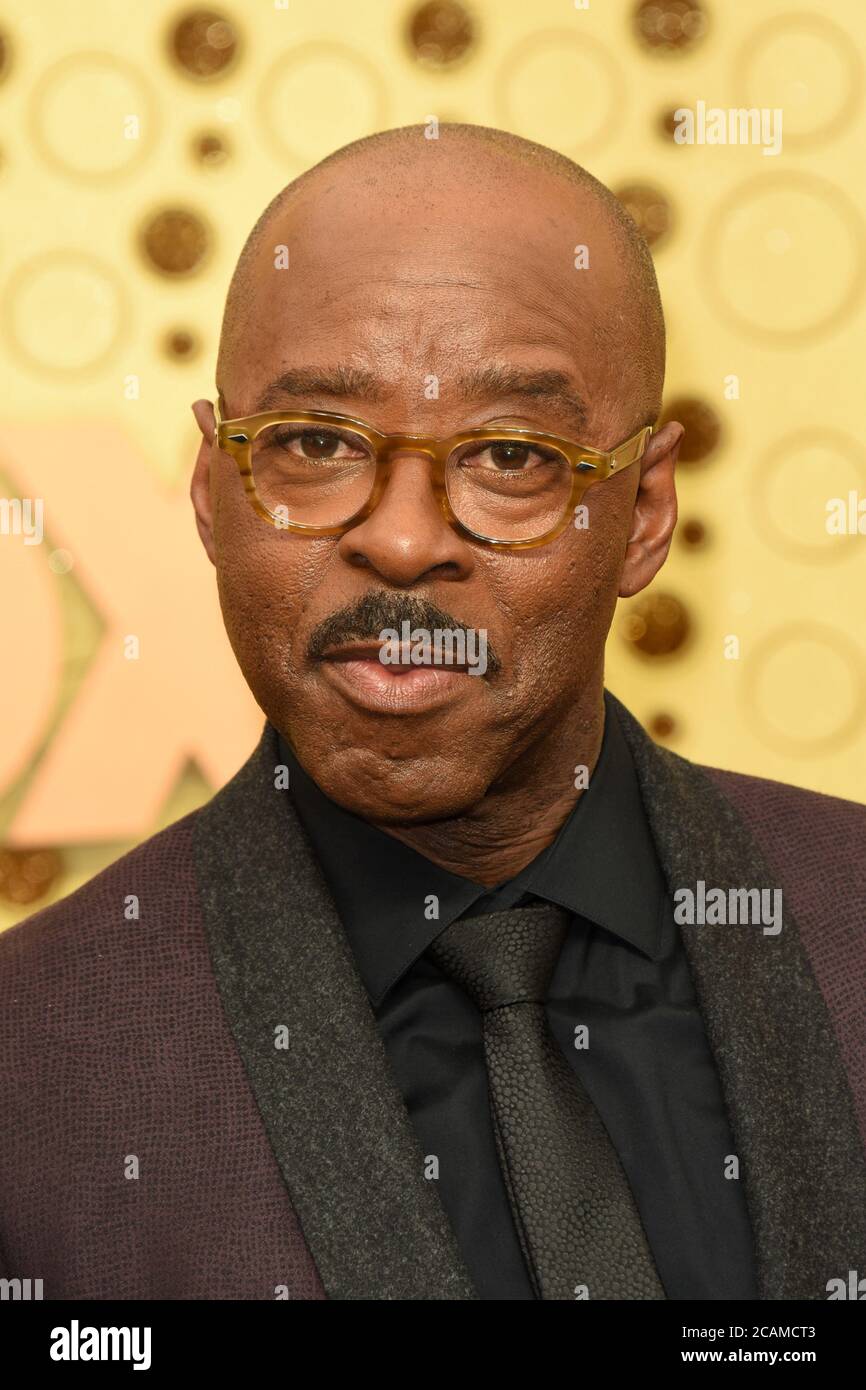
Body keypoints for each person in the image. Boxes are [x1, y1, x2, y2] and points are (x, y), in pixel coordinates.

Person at [1, 123, 864, 1301]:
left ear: (644, 514)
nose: (402, 539)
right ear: (212, 495)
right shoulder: (30, 1065)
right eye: (312, 443)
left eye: (510, 454)